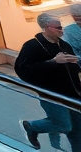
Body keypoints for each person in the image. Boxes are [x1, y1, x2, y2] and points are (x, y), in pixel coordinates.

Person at [18, 13, 81, 151]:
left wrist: (75, 63)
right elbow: (23, 71)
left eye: (61, 26)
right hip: (52, 94)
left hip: (73, 93)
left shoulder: (64, 45)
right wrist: (52, 62)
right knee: (64, 125)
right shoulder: (32, 46)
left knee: (77, 130)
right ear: (46, 27)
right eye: (57, 27)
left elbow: (72, 68)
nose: (61, 30)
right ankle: (32, 127)